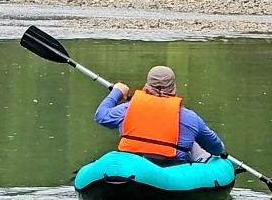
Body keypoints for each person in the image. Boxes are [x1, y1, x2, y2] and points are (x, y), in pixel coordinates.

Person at [94, 65, 226, 163]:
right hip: (172, 170)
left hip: (133, 165)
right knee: (194, 145)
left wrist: (117, 91)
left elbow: (101, 116)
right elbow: (216, 148)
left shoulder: (128, 109)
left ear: (147, 86)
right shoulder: (190, 117)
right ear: (173, 88)